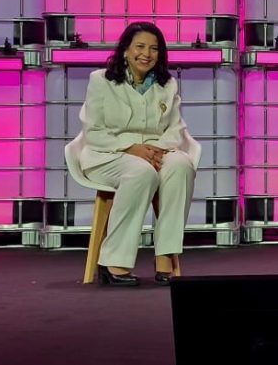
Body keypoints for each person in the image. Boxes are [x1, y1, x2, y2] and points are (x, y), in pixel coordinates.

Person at [75, 21, 197, 287]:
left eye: (154, 48)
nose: (147, 54)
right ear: (125, 50)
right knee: (141, 172)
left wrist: (155, 150)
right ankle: (113, 261)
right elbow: (93, 131)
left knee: (181, 165)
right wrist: (131, 147)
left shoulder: (167, 84)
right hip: (108, 154)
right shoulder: (101, 80)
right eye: (140, 46)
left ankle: (165, 254)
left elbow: (175, 129)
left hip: (154, 152)